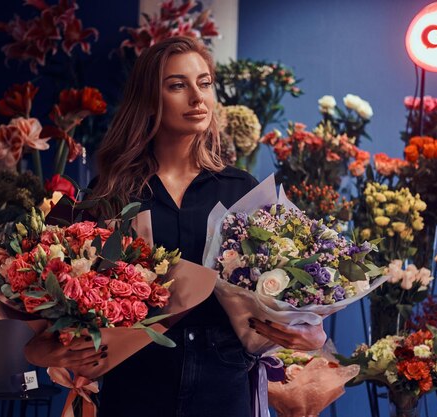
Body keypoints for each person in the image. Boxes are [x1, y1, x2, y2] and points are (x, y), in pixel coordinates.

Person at [24, 36, 326, 417]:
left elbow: (290, 296)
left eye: (204, 83)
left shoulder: (241, 190)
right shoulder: (111, 193)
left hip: (224, 383)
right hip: (136, 381)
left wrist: (312, 332)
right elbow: (61, 309)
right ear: (150, 98)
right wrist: (44, 348)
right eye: (177, 85)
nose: (197, 98)